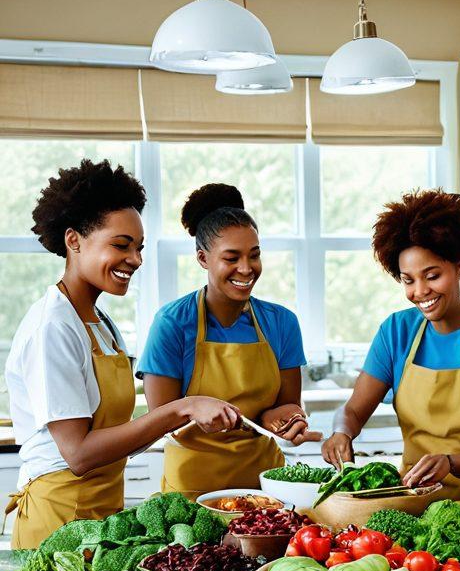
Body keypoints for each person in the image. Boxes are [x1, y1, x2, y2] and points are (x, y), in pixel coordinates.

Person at [4, 160, 238, 547]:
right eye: (121, 245)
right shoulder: (54, 327)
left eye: (139, 247)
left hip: (101, 516)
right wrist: (181, 408)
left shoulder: (100, 323)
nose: (136, 259)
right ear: (74, 240)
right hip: (58, 518)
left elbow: (117, 434)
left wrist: (188, 416)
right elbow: (78, 454)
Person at [321, 189, 460, 506]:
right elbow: (353, 410)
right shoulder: (396, 332)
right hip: (415, 501)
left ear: (459, 267)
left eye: (432, 276)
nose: (420, 291)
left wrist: (450, 463)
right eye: (408, 280)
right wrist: (342, 432)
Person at [139, 183, 312, 499]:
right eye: (231, 258)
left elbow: (286, 404)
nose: (246, 269)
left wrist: (290, 421)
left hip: (264, 486)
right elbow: (160, 420)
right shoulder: (173, 323)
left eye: (254, 255)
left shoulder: (282, 322)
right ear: (203, 259)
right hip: (192, 488)